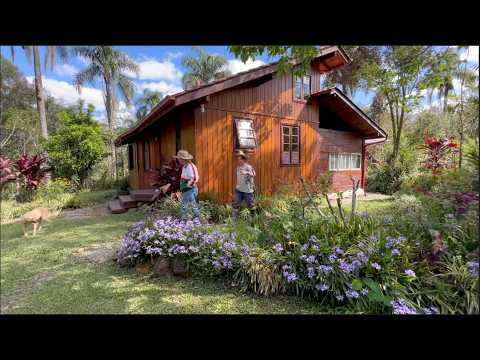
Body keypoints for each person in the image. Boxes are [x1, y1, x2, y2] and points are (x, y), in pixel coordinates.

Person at [175, 150, 200, 219]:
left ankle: (186, 220)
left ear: (183, 159)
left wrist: (188, 186)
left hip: (190, 189)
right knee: (189, 205)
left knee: (187, 205)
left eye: (179, 158)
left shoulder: (191, 166)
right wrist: (182, 189)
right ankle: (195, 220)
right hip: (186, 190)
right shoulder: (184, 167)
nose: (178, 160)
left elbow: (195, 178)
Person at [232, 150, 256, 219]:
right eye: (238, 159)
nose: (238, 161)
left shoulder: (248, 167)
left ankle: (254, 220)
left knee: (251, 205)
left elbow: (254, 174)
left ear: (243, 159)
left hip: (247, 190)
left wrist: (247, 172)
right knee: (235, 205)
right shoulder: (238, 167)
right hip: (239, 189)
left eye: (240, 159)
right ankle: (234, 222)